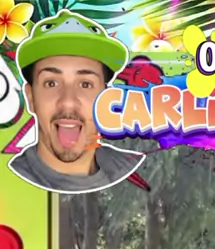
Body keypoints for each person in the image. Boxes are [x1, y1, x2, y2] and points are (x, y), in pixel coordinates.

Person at [10, 11, 144, 194]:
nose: (68, 102)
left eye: (85, 84)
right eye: (51, 83)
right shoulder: (8, 183)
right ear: (30, 97)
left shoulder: (133, 169)